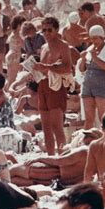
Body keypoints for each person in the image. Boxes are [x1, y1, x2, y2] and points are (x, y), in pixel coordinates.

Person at [33, 17, 72, 155]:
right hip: (43, 85)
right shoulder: (44, 47)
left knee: (57, 126)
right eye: (44, 30)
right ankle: (50, 157)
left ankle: (62, 156)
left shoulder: (63, 46)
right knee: (45, 127)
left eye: (49, 30)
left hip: (56, 86)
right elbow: (43, 68)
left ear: (56, 30)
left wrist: (47, 67)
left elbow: (68, 68)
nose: (46, 33)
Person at [10, 128, 102, 186]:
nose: (84, 137)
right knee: (13, 180)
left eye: (88, 136)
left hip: (51, 171)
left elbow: (59, 161)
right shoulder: (97, 157)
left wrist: (40, 158)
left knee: (14, 170)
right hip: (60, 180)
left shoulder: (84, 150)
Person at [78, 25, 105, 129]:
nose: (93, 41)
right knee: (89, 119)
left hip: (102, 85)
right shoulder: (90, 49)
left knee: (103, 117)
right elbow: (82, 69)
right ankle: (87, 141)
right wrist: (83, 59)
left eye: (95, 38)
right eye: (92, 38)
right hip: (88, 85)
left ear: (102, 37)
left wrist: (95, 58)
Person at [6, 15, 26, 86]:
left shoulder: (16, 34)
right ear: (18, 25)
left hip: (13, 56)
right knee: (12, 79)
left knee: (10, 78)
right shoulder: (16, 35)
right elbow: (23, 45)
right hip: (14, 56)